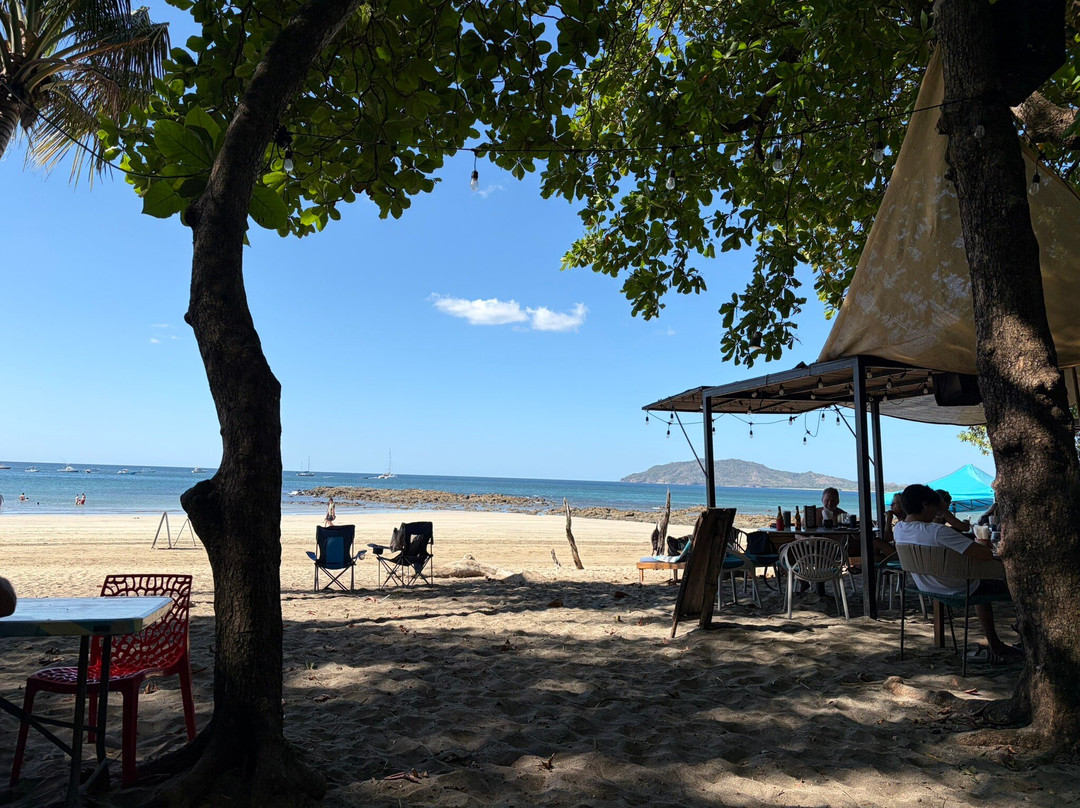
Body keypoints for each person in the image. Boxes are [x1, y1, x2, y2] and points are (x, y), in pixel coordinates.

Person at [894, 484, 1020, 664]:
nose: (936, 512)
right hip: (958, 588)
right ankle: (1021, 635)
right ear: (924, 505)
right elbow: (985, 554)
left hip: (927, 587)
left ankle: (995, 643)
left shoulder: (899, 530)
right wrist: (984, 543)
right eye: (934, 507)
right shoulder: (938, 532)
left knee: (980, 582)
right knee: (1016, 587)